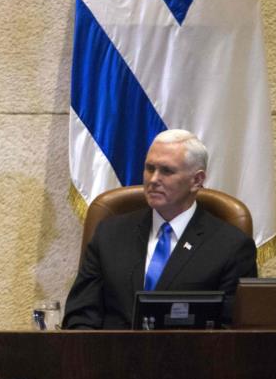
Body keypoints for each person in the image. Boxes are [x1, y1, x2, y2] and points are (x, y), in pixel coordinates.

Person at [62, 129, 257, 329]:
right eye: (149, 168)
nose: (153, 179)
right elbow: (80, 316)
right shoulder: (109, 234)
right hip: (110, 356)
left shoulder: (231, 247)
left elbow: (233, 331)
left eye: (166, 171)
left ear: (197, 180)